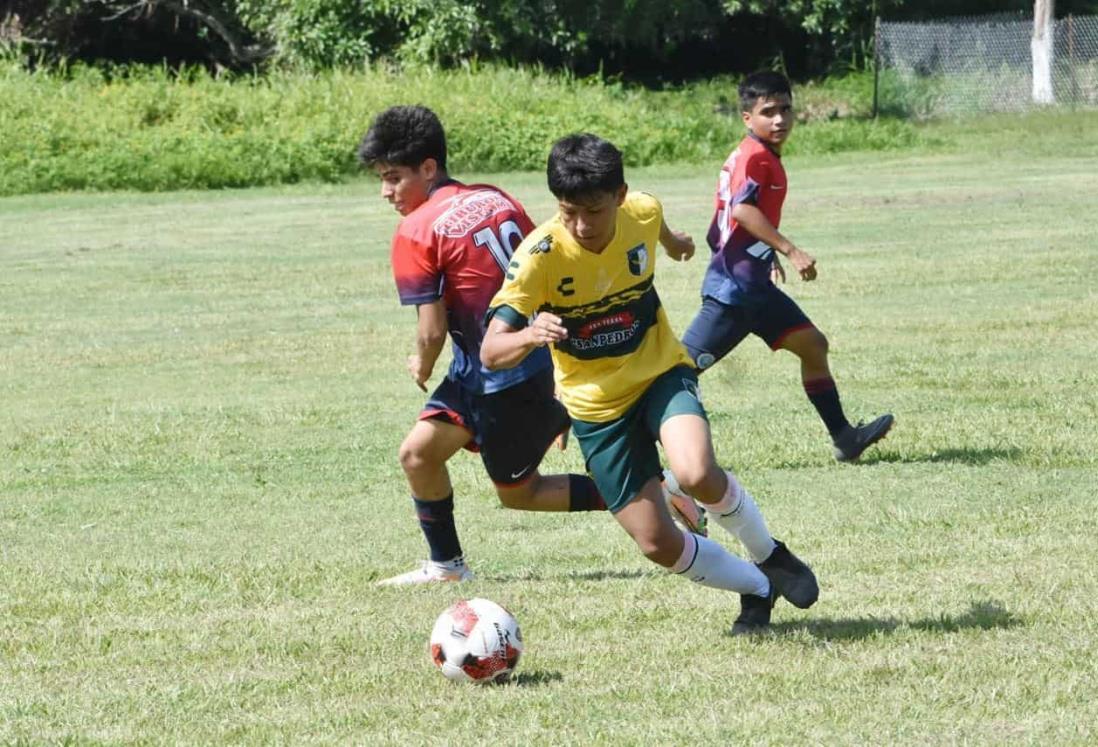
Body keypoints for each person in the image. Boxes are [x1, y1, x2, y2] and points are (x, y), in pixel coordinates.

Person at [482, 133, 817, 634]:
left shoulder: (641, 211)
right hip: (596, 409)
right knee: (657, 543)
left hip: (660, 372)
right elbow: (491, 348)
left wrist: (676, 244)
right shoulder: (540, 256)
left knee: (697, 470)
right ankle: (758, 589)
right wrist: (530, 334)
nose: (579, 225)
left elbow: (657, 229)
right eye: (568, 210)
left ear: (619, 196)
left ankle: (771, 554)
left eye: (592, 211)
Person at [359, 107, 704, 587]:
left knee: (519, 493)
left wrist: (421, 359)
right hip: (500, 366)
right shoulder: (493, 197)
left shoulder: (415, 231)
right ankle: (446, 566)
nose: (386, 192)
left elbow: (432, 328)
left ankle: (657, 493)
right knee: (418, 454)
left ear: (429, 168)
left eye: (393, 178)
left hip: (502, 375)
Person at [682, 70, 893, 462]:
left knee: (813, 345)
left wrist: (765, 253)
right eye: (767, 112)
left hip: (753, 287)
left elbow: (721, 226)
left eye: (785, 109)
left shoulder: (753, 155)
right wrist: (790, 250)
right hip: (735, 293)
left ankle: (845, 438)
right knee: (677, 372)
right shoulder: (756, 157)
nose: (779, 119)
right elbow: (742, 211)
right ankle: (625, 433)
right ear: (747, 118)